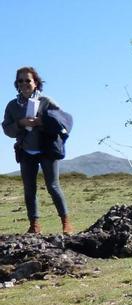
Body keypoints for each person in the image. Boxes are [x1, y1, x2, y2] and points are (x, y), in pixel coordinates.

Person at [2, 67, 73, 234]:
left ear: (35, 82)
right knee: (29, 188)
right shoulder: (12, 106)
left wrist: (41, 121)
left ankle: (66, 223)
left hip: (47, 149)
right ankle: (34, 226)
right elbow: (7, 130)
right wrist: (20, 123)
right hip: (26, 150)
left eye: (28, 80)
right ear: (16, 84)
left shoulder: (46, 101)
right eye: (21, 81)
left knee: (53, 186)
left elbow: (64, 122)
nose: (24, 83)